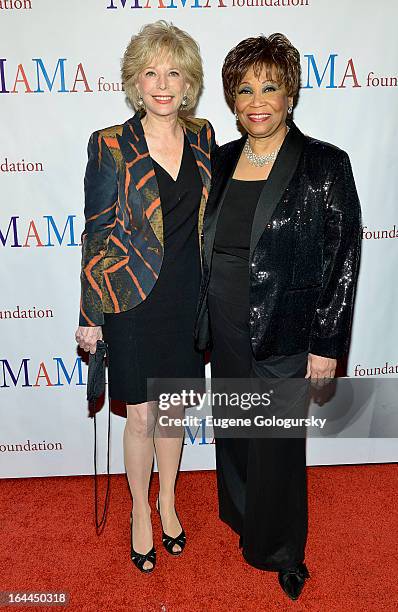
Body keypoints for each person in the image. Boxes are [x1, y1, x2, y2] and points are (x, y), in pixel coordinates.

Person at [195, 33, 361, 600]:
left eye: (269, 86)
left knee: (279, 441)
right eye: (244, 89)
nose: (257, 100)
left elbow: (343, 255)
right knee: (238, 427)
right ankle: (245, 518)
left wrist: (327, 339)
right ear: (231, 100)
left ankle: (285, 549)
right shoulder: (219, 161)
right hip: (224, 315)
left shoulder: (323, 163)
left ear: (290, 93)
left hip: (287, 323)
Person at [75, 21, 215, 574]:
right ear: (135, 81)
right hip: (130, 300)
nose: (162, 83)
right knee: (140, 417)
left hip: (188, 297)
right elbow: (95, 230)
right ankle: (139, 511)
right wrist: (91, 313)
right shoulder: (110, 143)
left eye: (173, 72)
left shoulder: (203, 136)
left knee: (173, 413)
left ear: (189, 83)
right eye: (151, 72)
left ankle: (169, 501)